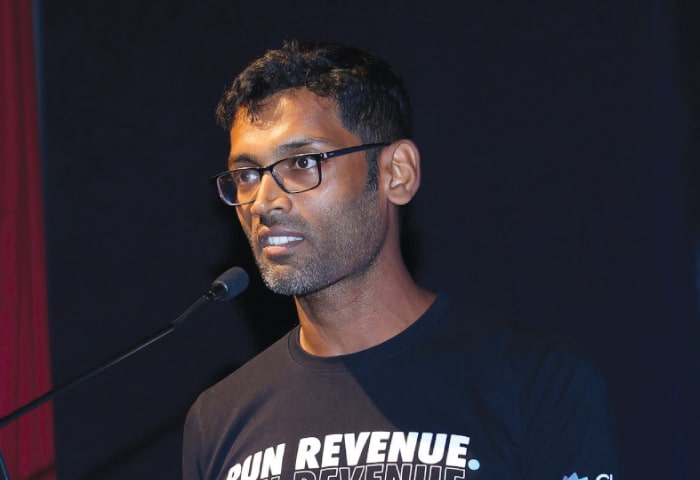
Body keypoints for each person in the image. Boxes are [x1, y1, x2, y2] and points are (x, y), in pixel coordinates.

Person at [183, 40, 619, 480]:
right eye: (246, 175)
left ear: (397, 173)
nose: (262, 201)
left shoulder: (534, 384)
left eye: (302, 162)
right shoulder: (219, 418)